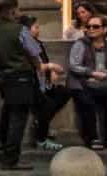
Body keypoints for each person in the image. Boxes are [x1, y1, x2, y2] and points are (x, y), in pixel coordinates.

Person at [0, 0, 37, 169]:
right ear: (12, 11)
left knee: (8, 111)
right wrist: (40, 67)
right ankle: (11, 159)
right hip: (21, 77)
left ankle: (2, 143)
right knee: (18, 118)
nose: (20, 13)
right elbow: (33, 52)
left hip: (2, 77)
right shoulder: (21, 30)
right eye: (18, 10)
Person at [69, 14, 107, 150]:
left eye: (95, 26)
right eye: (88, 26)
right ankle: (92, 138)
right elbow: (74, 66)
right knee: (87, 103)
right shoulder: (81, 44)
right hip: (81, 83)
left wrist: (106, 74)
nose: (91, 29)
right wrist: (91, 73)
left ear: (105, 29)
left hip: (102, 82)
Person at [17, 14, 69, 152]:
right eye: (35, 27)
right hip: (30, 84)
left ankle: (40, 122)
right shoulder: (23, 45)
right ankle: (41, 139)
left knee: (64, 92)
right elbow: (34, 66)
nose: (38, 30)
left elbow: (44, 61)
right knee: (46, 105)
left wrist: (50, 72)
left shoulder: (38, 43)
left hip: (43, 83)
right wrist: (51, 67)